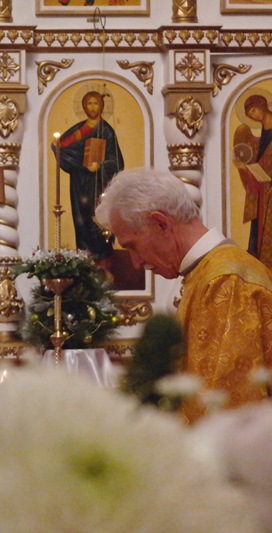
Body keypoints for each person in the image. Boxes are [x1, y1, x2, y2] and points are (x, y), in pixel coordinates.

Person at [94, 167, 272, 423]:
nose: (134, 262)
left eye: (132, 246)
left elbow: (227, 404)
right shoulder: (207, 272)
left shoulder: (225, 280)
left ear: (161, 223)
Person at [54, 90, 124, 265]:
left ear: (102, 106)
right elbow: (59, 145)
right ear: (84, 106)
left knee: (98, 222)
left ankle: (103, 265)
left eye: (96, 103)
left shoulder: (106, 131)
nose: (92, 107)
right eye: (89, 103)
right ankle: (84, 262)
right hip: (79, 183)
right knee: (81, 221)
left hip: (99, 184)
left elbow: (117, 162)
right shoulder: (79, 129)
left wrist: (99, 165)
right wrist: (78, 163)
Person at [233, 94, 272, 269]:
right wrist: (245, 168)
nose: (254, 116)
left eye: (254, 110)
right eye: (250, 115)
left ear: (263, 105)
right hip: (265, 193)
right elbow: (261, 159)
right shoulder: (263, 132)